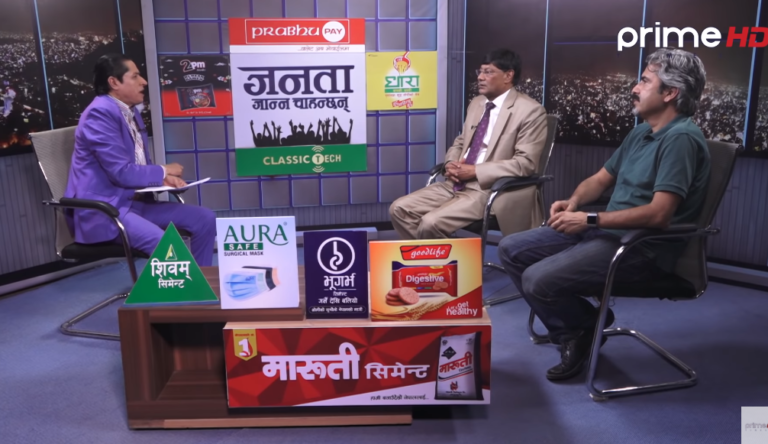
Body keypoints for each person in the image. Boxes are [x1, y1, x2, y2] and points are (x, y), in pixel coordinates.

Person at [497, 48, 711, 381]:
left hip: (641, 248)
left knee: (537, 280)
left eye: (645, 81)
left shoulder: (680, 139)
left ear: (670, 93)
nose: (635, 88)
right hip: (607, 233)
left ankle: (578, 330)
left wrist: (589, 219)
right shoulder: (642, 131)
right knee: (511, 249)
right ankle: (580, 326)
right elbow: (600, 180)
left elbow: (659, 215)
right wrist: (574, 202)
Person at [64, 54, 216, 266]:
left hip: (136, 203)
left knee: (204, 219)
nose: (143, 81)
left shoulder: (130, 112)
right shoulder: (99, 113)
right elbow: (121, 172)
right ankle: (187, 285)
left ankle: (201, 280)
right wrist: (163, 170)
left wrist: (163, 181)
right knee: (167, 245)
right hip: (107, 210)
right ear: (114, 82)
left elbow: (136, 164)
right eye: (135, 76)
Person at [389, 49, 548, 239]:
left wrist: (475, 171)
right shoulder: (477, 103)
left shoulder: (530, 111)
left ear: (508, 75)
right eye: (480, 71)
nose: (480, 77)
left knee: (430, 223)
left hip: (490, 189)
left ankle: (444, 257)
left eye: (488, 72)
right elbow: (461, 141)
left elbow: (525, 164)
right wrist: (451, 164)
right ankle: (444, 255)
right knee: (399, 209)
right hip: (456, 183)